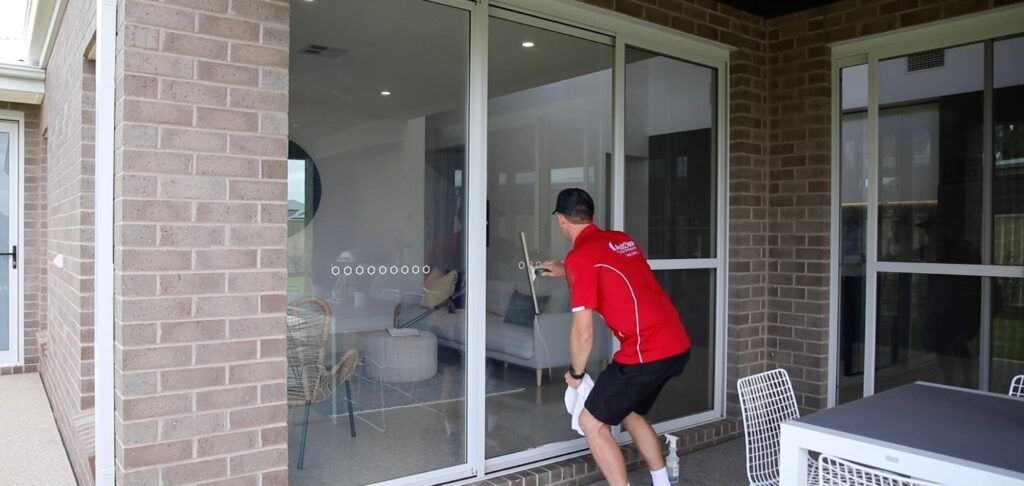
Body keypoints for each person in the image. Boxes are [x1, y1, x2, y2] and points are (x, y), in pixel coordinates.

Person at [537, 188, 692, 486]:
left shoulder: (581, 257)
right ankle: (663, 482)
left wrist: (576, 374)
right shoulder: (622, 240)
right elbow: (610, 265)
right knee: (630, 411)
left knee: (590, 422)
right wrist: (566, 269)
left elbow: (583, 334)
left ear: (561, 221)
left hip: (645, 351)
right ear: (592, 217)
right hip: (677, 343)